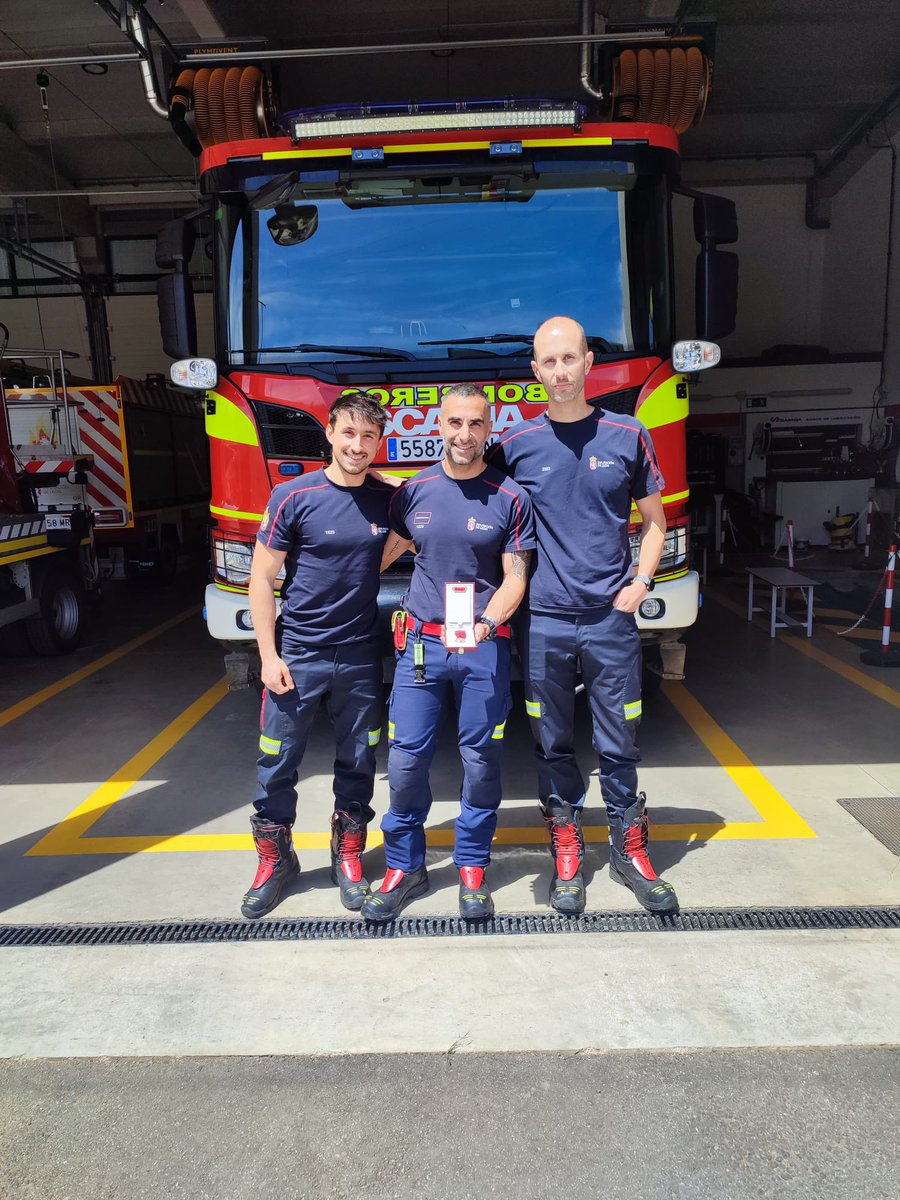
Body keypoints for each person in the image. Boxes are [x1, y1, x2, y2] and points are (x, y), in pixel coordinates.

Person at [487, 316, 679, 915]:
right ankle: (566, 846)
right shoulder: (516, 446)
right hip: (542, 619)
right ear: (535, 371)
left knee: (619, 739)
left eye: (570, 359)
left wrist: (641, 582)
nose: (560, 372)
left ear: (589, 362)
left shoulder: (628, 435)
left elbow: (655, 521)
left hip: (609, 620)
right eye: (549, 362)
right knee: (551, 740)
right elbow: (463, 491)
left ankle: (628, 847)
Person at [361, 384, 536, 921]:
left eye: (476, 424)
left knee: (481, 761)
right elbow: (382, 551)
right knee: (407, 760)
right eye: (455, 423)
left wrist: (486, 622)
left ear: (490, 429)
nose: (465, 435)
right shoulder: (412, 492)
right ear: (440, 426)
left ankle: (472, 863)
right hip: (420, 646)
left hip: (482, 645)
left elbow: (516, 577)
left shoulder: (510, 497)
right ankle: (404, 865)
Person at [241, 391, 394, 919]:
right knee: (277, 761)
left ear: (379, 442)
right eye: (348, 433)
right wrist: (268, 655)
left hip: (358, 656)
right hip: (298, 653)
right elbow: (261, 578)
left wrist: (397, 487)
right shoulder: (292, 496)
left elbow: (410, 526)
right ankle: (275, 860)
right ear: (329, 433)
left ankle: (347, 854)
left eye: (368, 436)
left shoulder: (384, 499)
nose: (357, 445)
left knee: (359, 760)